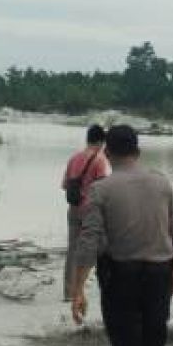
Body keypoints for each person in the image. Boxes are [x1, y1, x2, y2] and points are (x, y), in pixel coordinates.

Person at [69, 125, 173, 346]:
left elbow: (88, 241)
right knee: (154, 333)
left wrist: (78, 289)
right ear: (138, 151)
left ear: (107, 152)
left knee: (124, 341)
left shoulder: (101, 190)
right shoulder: (162, 182)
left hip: (120, 274)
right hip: (159, 271)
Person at [61, 124, 110, 301]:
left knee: (73, 250)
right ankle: (104, 287)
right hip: (91, 211)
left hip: (73, 209)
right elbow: (103, 189)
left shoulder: (74, 158)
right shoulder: (100, 160)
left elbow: (65, 185)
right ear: (101, 141)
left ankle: (69, 293)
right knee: (101, 248)